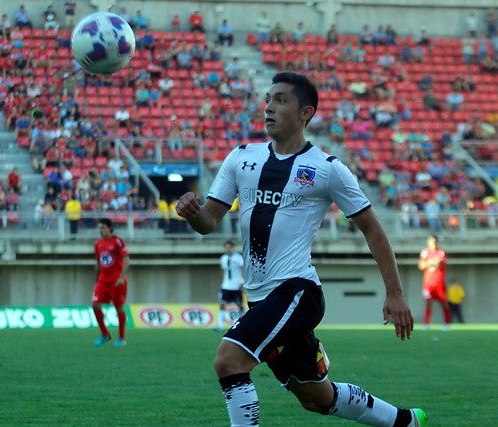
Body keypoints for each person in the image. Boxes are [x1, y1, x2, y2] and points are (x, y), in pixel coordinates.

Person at [175, 72, 426, 427]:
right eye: (267, 99)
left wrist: (395, 293)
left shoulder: (327, 169)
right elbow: (209, 222)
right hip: (261, 299)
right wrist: (191, 214)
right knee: (316, 398)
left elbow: (372, 228)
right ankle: (405, 421)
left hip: (296, 291)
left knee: (228, 360)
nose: (268, 107)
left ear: (306, 112)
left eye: (280, 100)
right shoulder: (242, 158)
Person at [92, 219, 130, 346]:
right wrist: (96, 280)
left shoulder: (118, 241)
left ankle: (121, 338)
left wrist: (121, 277)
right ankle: (105, 334)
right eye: (99, 228)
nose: (101, 230)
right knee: (95, 304)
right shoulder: (98, 244)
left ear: (109, 228)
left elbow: (126, 260)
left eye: (103, 227)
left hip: (116, 281)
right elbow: (98, 263)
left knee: (118, 307)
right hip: (103, 280)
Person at [418, 235, 451, 331]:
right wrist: (431, 262)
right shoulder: (425, 252)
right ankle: (426, 324)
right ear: (428, 242)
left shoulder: (441, 252)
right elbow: (421, 265)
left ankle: (446, 324)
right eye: (432, 242)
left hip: (439, 282)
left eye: (435, 242)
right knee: (428, 302)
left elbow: (438, 264)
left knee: (444, 302)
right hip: (428, 283)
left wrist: (428, 263)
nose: (434, 244)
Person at [214, 240, 245, 332]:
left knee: (240, 306)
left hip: (236, 285)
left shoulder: (238, 257)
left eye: (229, 247)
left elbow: (242, 269)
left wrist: (242, 282)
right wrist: (222, 283)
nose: (228, 249)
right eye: (226, 247)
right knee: (222, 304)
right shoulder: (223, 258)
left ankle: (244, 324)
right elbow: (223, 271)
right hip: (226, 285)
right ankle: (220, 326)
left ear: (233, 247)